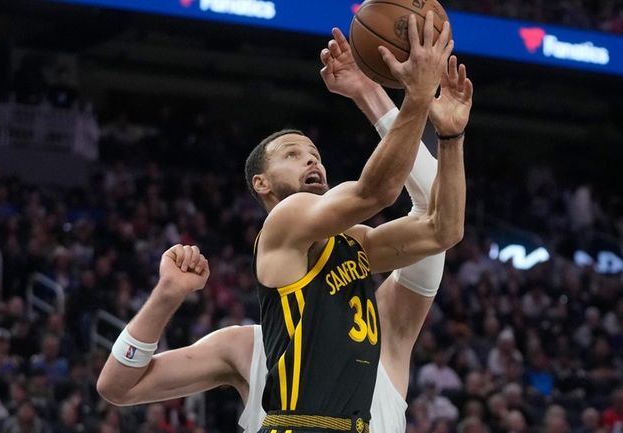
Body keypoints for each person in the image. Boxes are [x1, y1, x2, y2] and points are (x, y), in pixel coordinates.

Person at [98, 18, 473, 433]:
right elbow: (117, 386)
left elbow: (443, 228)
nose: (312, 160)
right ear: (261, 183)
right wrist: (166, 296)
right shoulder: (280, 232)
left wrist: (450, 136)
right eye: (293, 154)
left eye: (314, 153)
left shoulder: (357, 250)